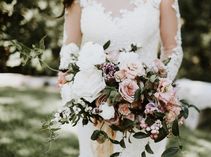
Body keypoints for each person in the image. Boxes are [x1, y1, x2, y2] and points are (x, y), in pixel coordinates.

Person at [58, 0, 183, 156]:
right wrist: (69, 81)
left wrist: (154, 89)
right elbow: (70, 46)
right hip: (92, 106)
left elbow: (172, 50)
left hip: (144, 112)